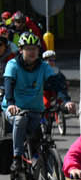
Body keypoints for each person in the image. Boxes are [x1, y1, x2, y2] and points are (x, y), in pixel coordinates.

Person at [4, 33, 71, 165]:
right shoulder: (12, 65)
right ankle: (16, 157)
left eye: (34, 49)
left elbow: (56, 84)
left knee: (42, 137)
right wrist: (11, 104)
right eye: (28, 48)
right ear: (21, 50)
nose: (32, 52)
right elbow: (9, 85)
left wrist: (66, 101)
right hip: (15, 109)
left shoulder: (43, 66)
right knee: (20, 119)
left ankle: (45, 167)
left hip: (36, 109)